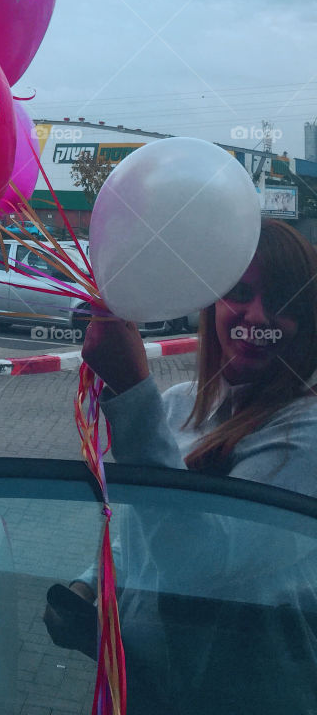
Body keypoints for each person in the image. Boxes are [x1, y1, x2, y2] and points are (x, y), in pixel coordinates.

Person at [44, 218, 317, 711]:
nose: (256, 316)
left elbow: (199, 566)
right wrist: (88, 584)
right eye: (240, 292)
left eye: (282, 302)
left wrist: (132, 393)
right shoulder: (177, 404)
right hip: (142, 683)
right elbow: (144, 536)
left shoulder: (304, 430)